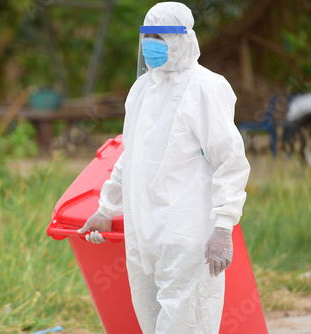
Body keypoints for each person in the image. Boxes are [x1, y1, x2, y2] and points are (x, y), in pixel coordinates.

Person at [77, 2, 250, 333]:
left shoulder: (206, 87)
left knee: (186, 324)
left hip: (187, 235)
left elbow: (229, 161)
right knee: (150, 320)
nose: (150, 44)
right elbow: (131, 156)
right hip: (142, 237)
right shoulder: (141, 89)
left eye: (160, 36)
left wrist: (223, 226)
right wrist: (106, 207)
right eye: (146, 36)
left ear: (183, 39)